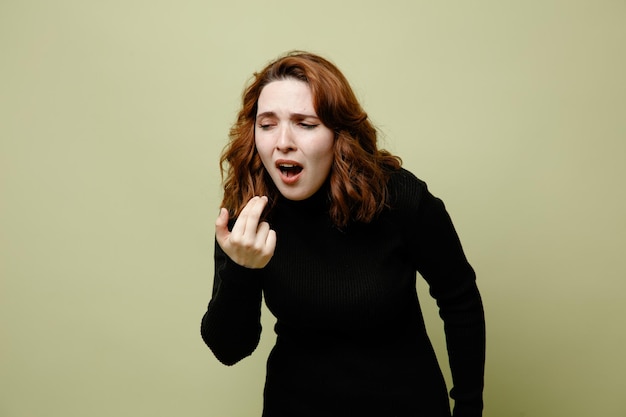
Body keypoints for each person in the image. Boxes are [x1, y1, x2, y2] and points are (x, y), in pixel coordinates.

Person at [200, 51, 485, 417]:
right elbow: (229, 349)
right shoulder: (248, 212)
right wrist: (241, 268)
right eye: (267, 124)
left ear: (339, 134)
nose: (282, 142)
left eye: (305, 123)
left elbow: (459, 298)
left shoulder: (398, 196)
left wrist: (468, 407)